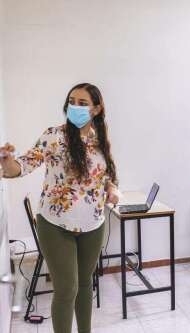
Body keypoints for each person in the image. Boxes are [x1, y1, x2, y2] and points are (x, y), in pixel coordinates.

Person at [0, 83, 120, 333]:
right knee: (67, 289)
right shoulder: (54, 136)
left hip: (93, 224)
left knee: (86, 284)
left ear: (96, 109)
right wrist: (7, 162)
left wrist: (112, 189)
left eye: (83, 103)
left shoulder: (100, 141)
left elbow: (107, 176)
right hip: (56, 225)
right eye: (71, 101)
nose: (75, 107)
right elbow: (22, 166)